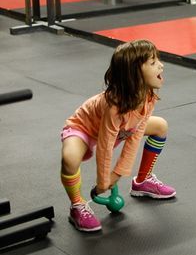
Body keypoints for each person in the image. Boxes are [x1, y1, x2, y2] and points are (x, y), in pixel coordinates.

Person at [60, 40, 176, 232]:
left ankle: (143, 181)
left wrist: (118, 173)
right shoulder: (113, 105)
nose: (161, 65)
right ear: (135, 73)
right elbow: (105, 145)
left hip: (121, 129)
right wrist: (103, 182)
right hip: (86, 129)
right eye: (153, 62)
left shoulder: (147, 96)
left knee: (160, 126)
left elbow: (136, 134)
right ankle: (77, 205)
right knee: (70, 159)